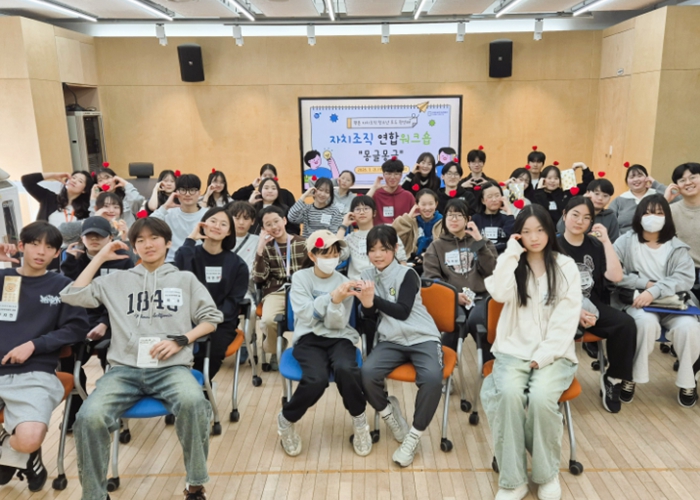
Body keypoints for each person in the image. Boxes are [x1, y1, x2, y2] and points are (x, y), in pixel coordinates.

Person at [60, 217, 223, 500]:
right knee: (88, 417)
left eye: (154, 238)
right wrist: (100, 256)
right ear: (133, 247)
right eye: (140, 240)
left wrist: (182, 339)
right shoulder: (116, 281)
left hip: (171, 368)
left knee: (194, 403)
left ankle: (195, 485)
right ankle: (95, 495)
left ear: (168, 242)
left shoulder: (185, 280)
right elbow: (72, 295)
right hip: (124, 371)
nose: (148, 244)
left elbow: (211, 319)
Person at [481, 204, 581, 500]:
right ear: (518, 235)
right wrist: (510, 253)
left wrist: (545, 354)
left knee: (540, 398)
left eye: (539, 230)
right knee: (507, 395)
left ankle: (547, 475)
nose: (534, 237)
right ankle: (513, 481)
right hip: (512, 350)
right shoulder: (513, 264)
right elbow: (498, 293)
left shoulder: (566, 266)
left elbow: (567, 318)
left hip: (555, 353)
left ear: (550, 230)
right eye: (526, 232)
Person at [0, 222, 89, 492]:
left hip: (35, 372)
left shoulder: (62, 286)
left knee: (29, 439)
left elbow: (77, 328)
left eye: (49, 247)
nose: (41, 251)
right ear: (21, 246)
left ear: (56, 253)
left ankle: (17, 450)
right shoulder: (3, 279)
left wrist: (34, 345)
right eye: (35, 244)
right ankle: (20, 457)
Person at [277, 230, 371, 458]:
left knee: (347, 369)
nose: (331, 259)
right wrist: (331, 298)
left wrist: (337, 302)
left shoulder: (344, 282)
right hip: (308, 338)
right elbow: (305, 315)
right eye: (325, 254)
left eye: (335, 254)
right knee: (316, 379)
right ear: (312, 255)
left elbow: (337, 323)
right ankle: (286, 420)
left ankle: (360, 422)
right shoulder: (300, 278)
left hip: (339, 336)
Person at [359, 226, 444, 467]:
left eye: (384, 249)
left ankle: (413, 437)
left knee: (432, 379)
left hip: (423, 336)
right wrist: (366, 305)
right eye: (372, 250)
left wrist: (372, 299)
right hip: (391, 340)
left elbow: (403, 311)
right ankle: (390, 416)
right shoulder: (366, 275)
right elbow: (369, 317)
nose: (377, 255)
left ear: (395, 249)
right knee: (367, 373)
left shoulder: (408, 274)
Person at [612, 195, 700, 408]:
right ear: (639, 215)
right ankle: (631, 377)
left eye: (659, 213)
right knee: (644, 323)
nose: (653, 217)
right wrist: (644, 284)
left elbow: (685, 278)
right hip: (638, 302)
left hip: (673, 303)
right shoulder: (625, 241)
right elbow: (614, 274)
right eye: (648, 212)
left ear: (667, 217)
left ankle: (688, 382)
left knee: (689, 327)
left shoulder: (677, 247)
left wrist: (655, 290)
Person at [558, 197, 636, 414]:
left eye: (586, 218)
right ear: (564, 215)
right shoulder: (553, 245)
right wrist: (575, 312)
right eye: (575, 215)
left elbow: (616, 276)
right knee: (561, 330)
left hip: (592, 305)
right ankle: (557, 384)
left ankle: (613, 378)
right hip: (560, 308)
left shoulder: (595, 245)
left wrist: (606, 242)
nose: (579, 221)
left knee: (626, 324)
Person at [60, 216, 134, 430]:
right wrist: (69, 262)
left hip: (114, 320)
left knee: (109, 355)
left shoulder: (123, 260)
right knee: (67, 358)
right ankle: (76, 410)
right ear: (81, 239)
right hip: (80, 320)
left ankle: (110, 410)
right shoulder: (74, 260)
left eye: (99, 236)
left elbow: (125, 299)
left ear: (110, 238)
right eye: (89, 236)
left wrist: (104, 323)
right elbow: (70, 295)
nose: (94, 239)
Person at [174, 207, 248, 380]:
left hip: (220, 321)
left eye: (223, 224)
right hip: (186, 318)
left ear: (229, 232)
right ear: (203, 225)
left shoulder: (238, 265)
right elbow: (178, 272)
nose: (217, 226)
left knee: (212, 350)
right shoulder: (190, 254)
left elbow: (233, 301)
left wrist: (210, 320)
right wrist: (191, 239)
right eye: (213, 221)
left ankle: (199, 387)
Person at [423, 199, 498, 360]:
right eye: (450, 215)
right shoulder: (437, 246)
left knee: (478, 321)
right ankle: (441, 366)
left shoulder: (479, 242)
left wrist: (479, 243)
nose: (454, 219)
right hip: (451, 299)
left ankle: (488, 364)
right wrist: (452, 296)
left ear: (468, 219)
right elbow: (431, 278)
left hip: (480, 297)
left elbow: (492, 271)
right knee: (454, 321)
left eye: (458, 215)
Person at [252, 206, 307, 370]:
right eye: (268, 224)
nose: (274, 227)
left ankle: (308, 351)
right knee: (268, 320)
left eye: (276, 221)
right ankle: (276, 346)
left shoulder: (303, 243)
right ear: (263, 228)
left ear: (284, 220)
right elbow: (258, 277)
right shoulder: (266, 247)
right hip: (276, 291)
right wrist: (260, 248)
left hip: (302, 290)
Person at [21, 171, 94, 255]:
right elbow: (26, 181)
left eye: (80, 181)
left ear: (84, 190)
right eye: (73, 178)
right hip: (44, 251)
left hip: (69, 254)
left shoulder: (85, 210)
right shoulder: (49, 198)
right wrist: (53, 175)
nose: (74, 181)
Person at [336, 196, 408, 280]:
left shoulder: (386, 232)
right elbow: (336, 254)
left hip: (385, 282)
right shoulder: (350, 238)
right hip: (358, 284)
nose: (362, 212)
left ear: (374, 213)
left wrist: (400, 280)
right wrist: (343, 226)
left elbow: (401, 259)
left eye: (366, 208)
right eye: (358, 209)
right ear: (352, 214)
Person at [150, 173, 207, 262]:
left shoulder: (208, 215)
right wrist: (165, 206)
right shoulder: (168, 213)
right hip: (172, 261)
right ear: (176, 192)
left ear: (199, 193)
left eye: (192, 190)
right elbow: (147, 225)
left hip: (199, 262)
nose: (187, 194)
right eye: (183, 190)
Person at [391, 189, 442, 272]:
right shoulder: (411, 221)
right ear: (416, 205)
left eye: (430, 204)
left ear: (436, 204)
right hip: (410, 262)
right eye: (423, 204)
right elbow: (393, 236)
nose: (427, 208)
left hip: (435, 263)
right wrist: (408, 217)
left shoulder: (443, 222)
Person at [608, 164, 667, 234]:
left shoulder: (657, 195)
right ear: (627, 181)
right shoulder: (619, 200)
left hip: (655, 238)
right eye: (632, 177)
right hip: (625, 238)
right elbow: (610, 224)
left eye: (639, 176)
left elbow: (677, 198)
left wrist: (655, 184)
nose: (636, 179)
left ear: (647, 178)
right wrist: (621, 239)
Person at [556, 178, 620, 242]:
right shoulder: (575, 211)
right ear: (587, 193)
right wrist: (582, 200)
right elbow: (560, 229)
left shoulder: (610, 217)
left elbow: (614, 241)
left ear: (609, 199)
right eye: (597, 194)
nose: (600, 198)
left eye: (605, 196)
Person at [667, 163, 700, 282]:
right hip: (682, 272)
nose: (688, 183)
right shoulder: (670, 211)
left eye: (692, 177)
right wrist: (665, 201)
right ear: (676, 186)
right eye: (682, 180)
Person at [367, 157, 415, 225]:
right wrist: (374, 188)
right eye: (389, 174)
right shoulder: (376, 194)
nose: (392, 177)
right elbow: (362, 206)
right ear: (383, 175)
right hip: (380, 230)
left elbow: (415, 216)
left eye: (396, 174)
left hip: (402, 231)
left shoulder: (408, 196)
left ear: (401, 175)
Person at [471, 182, 515, 253]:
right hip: (482, 256)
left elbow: (511, 236)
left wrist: (509, 211)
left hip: (503, 256)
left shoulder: (507, 219)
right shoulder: (475, 219)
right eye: (490, 196)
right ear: (483, 200)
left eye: (497, 196)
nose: (494, 199)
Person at [231, 163, 296, 209]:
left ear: (276, 178)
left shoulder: (286, 194)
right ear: (260, 178)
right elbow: (234, 198)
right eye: (265, 176)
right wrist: (252, 186)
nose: (267, 178)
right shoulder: (255, 195)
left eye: (270, 176)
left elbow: (294, 215)